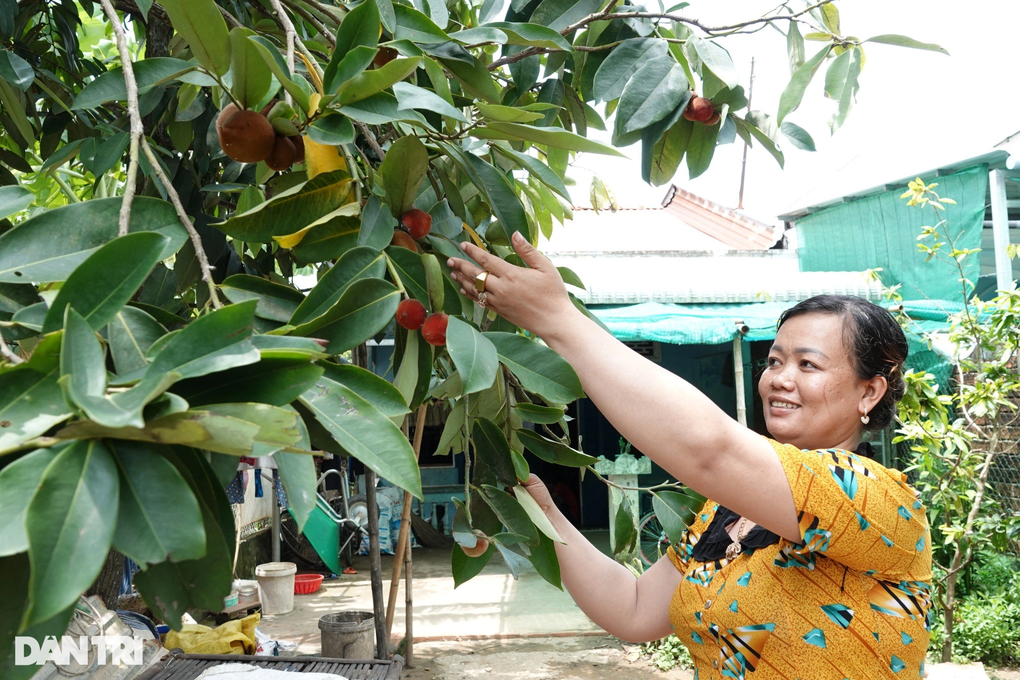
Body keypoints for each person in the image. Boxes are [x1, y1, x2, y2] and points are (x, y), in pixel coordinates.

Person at [447, 232, 933, 680]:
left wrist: (557, 319)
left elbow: (710, 450)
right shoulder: (729, 512)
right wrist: (545, 515)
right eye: (775, 361)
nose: (780, 379)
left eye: (808, 364)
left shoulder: (876, 499)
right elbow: (635, 609)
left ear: (869, 392)